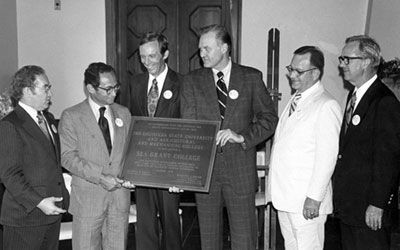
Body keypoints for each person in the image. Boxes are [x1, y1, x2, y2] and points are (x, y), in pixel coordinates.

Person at [181, 24, 278, 250]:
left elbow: (269, 119)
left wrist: (242, 136)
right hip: (206, 174)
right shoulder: (192, 81)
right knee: (209, 240)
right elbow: (189, 128)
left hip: (240, 172)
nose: (201, 54)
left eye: (206, 48)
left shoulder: (251, 78)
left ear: (224, 48)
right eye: (200, 49)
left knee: (245, 240)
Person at [269, 46, 342, 250]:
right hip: (286, 197)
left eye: (298, 71)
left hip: (305, 201)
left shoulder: (326, 105)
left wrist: (314, 198)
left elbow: (327, 157)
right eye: (290, 69)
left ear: (315, 73)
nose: (292, 75)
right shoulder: (296, 98)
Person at [333, 35, 400, 250]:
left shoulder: (384, 101)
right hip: (351, 206)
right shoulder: (354, 97)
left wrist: (377, 203)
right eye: (341, 59)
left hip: (369, 209)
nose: (341, 64)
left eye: (347, 59)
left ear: (366, 62)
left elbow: (388, 159)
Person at [59, 62, 134, 250]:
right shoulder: (71, 116)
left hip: (119, 199)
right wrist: (100, 177)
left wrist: (134, 175)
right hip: (87, 200)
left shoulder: (124, 113)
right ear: (91, 88)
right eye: (108, 88)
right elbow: (67, 157)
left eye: (116, 87)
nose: (114, 92)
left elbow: (132, 153)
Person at [122, 32, 183, 250]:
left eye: (152, 56)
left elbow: (188, 129)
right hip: (142, 165)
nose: (147, 62)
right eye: (142, 57)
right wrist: (127, 168)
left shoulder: (182, 83)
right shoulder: (134, 83)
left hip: (170, 168)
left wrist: (182, 173)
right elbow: (127, 126)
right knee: (145, 224)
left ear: (165, 54)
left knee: (171, 225)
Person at [0, 65, 69, 250]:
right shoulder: (10, 124)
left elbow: (53, 164)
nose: (50, 93)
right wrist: (38, 202)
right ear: (26, 91)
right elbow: (10, 175)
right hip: (25, 218)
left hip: (52, 213)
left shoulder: (48, 118)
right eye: (45, 87)